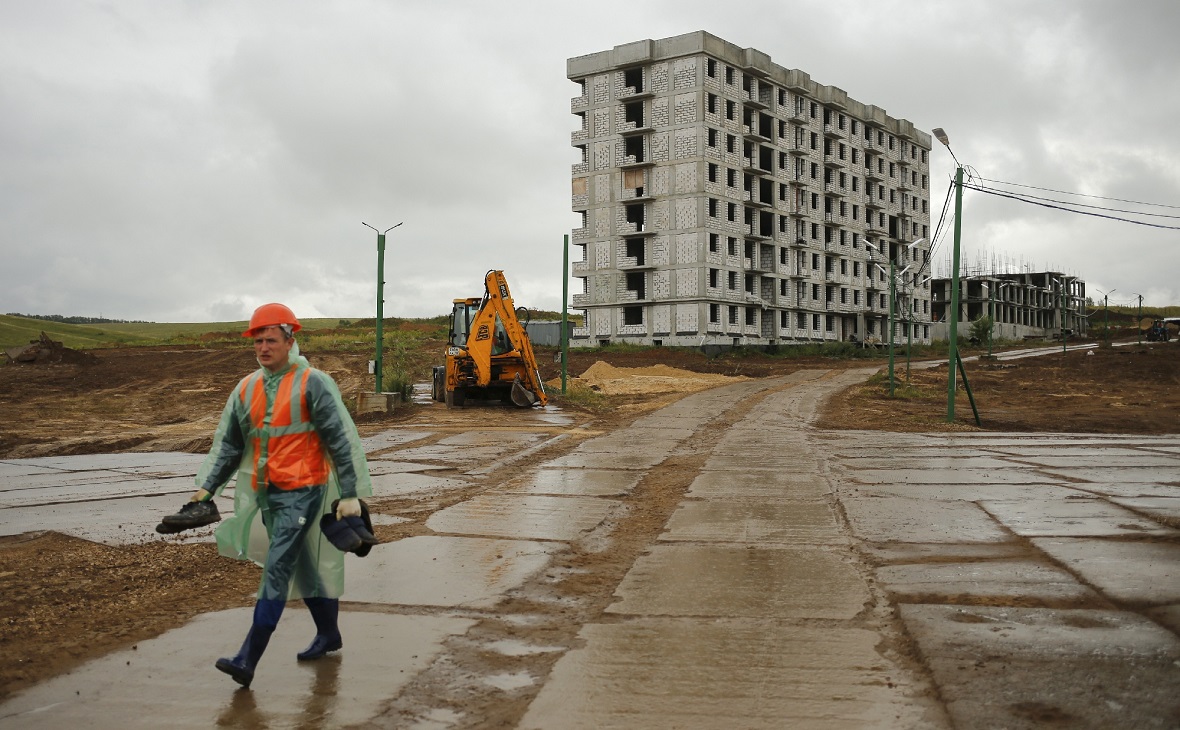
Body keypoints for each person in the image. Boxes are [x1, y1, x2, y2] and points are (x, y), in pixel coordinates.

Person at [183, 302, 372, 688]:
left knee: (278, 566)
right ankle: (329, 633)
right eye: (257, 341)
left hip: (305, 491)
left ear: (290, 340)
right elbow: (230, 447)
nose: (263, 347)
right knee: (302, 563)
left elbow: (339, 442)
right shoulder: (247, 388)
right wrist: (205, 492)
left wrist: (350, 494)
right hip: (268, 494)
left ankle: (247, 659)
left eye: (270, 340)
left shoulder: (312, 383)